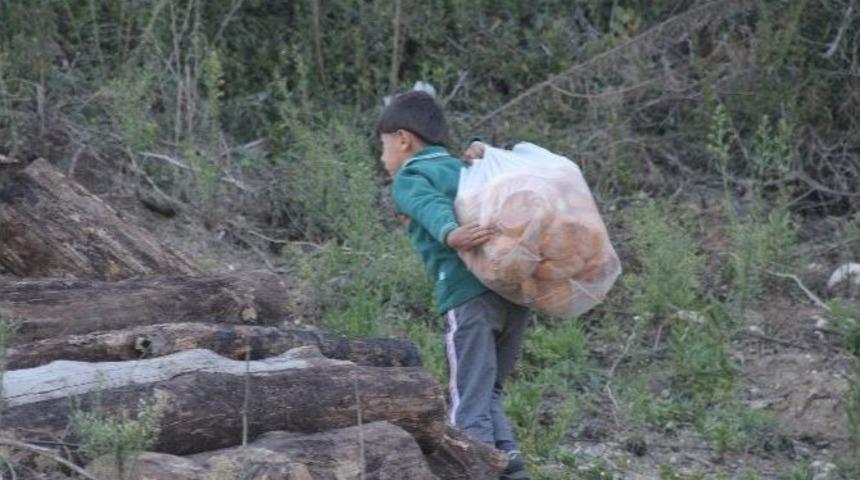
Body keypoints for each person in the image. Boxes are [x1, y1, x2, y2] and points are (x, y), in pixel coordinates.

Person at [377, 90, 530, 480]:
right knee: (489, 394)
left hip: (467, 297)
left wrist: (449, 233)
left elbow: (429, 206)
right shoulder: (465, 167)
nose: (382, 159)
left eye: (383, 147)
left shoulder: (411, 175)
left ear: (403, 140)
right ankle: (512, 470)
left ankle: (475, 471)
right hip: (514, 296)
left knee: (467, 405)